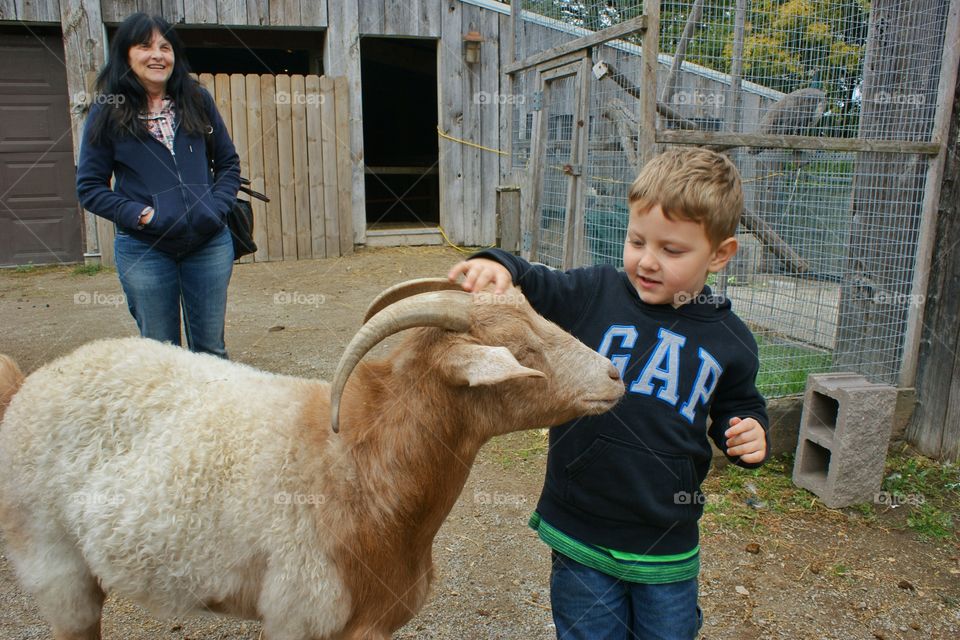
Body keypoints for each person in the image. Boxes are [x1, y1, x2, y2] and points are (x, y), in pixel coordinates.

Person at [448, 147, 769, 640]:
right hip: (581, 526)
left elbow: (739, 406)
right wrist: (499, 265)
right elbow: (538, 280)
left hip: (665, 538)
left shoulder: (732, 340)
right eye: (637, 240)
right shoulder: (595, 292)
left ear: (721, 254)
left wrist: (746, 434)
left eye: (672, 250)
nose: (647, 261)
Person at [77, 13, 240, 358]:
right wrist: (144, 215)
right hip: (145, 248)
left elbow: (228, 164)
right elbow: (90, 187)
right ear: (125, 55)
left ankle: (211, 413)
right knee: (160, 353)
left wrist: (216, 205)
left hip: (208, 244)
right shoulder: (107, 112)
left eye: (165, 47)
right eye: (145, 46)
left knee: (211, 349)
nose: (158, 55)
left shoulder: (197, 100)